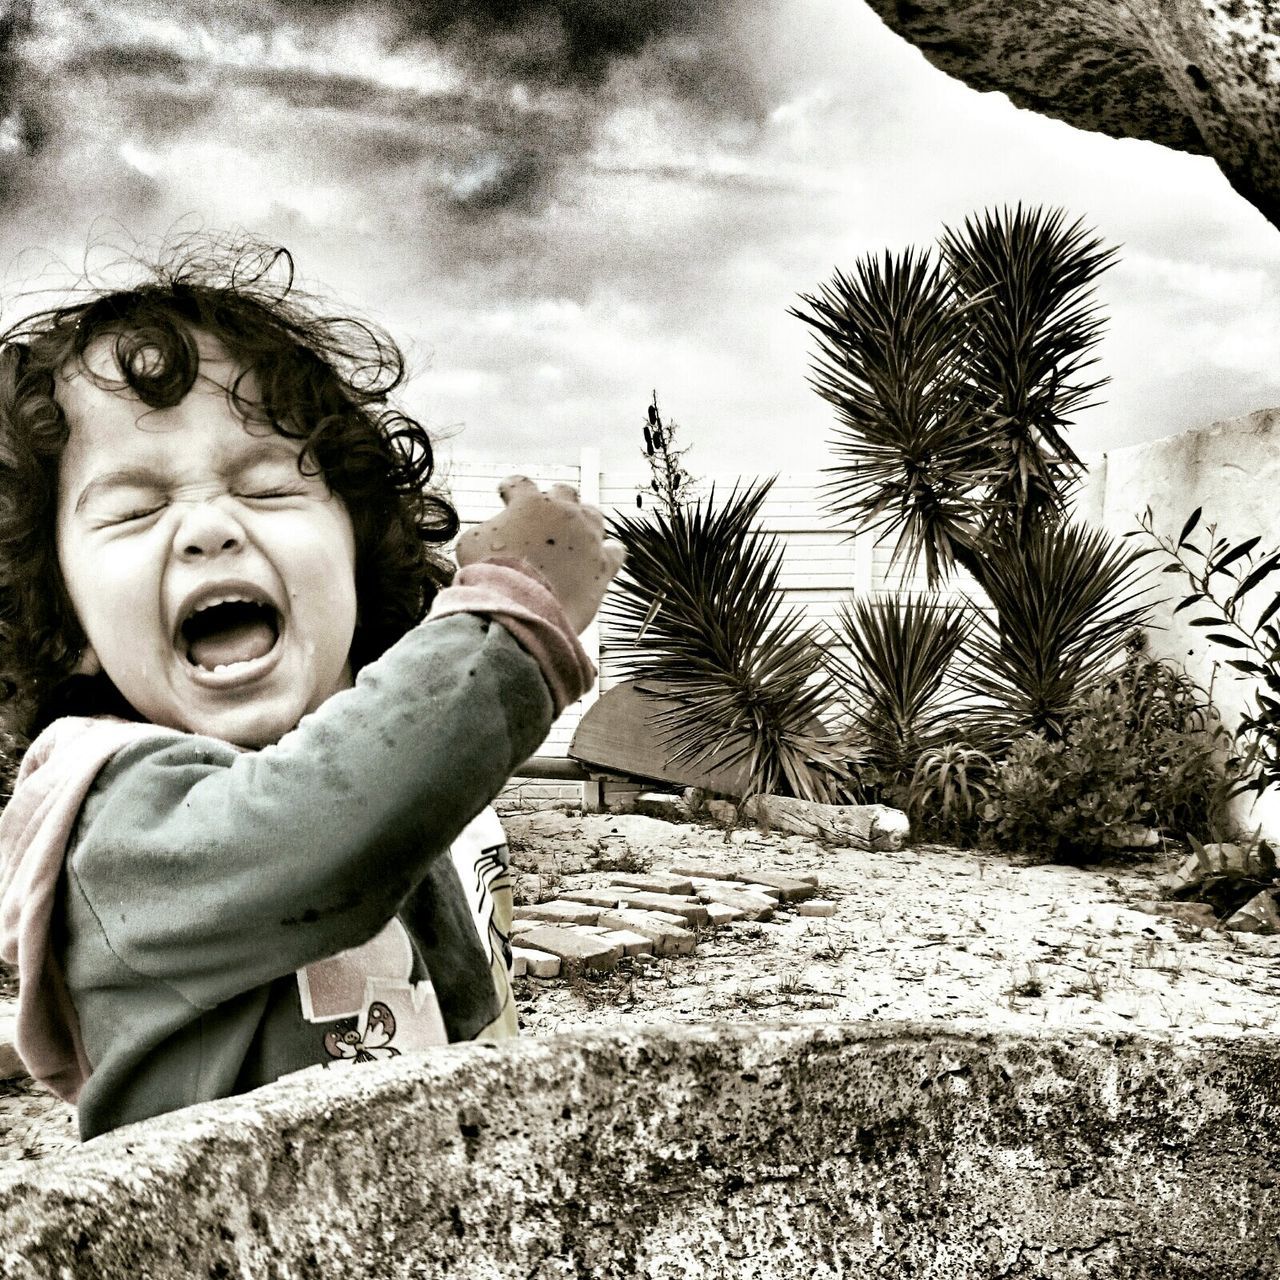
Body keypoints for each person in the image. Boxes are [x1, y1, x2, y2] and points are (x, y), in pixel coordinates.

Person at [0, 244, 623, 1140]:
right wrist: (510, 623)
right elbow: (320, 832)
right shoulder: (112, 820)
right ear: (69, 625)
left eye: (264, 485)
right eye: (135, 510)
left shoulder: (396, 768)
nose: (210, 528)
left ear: (358, 550)